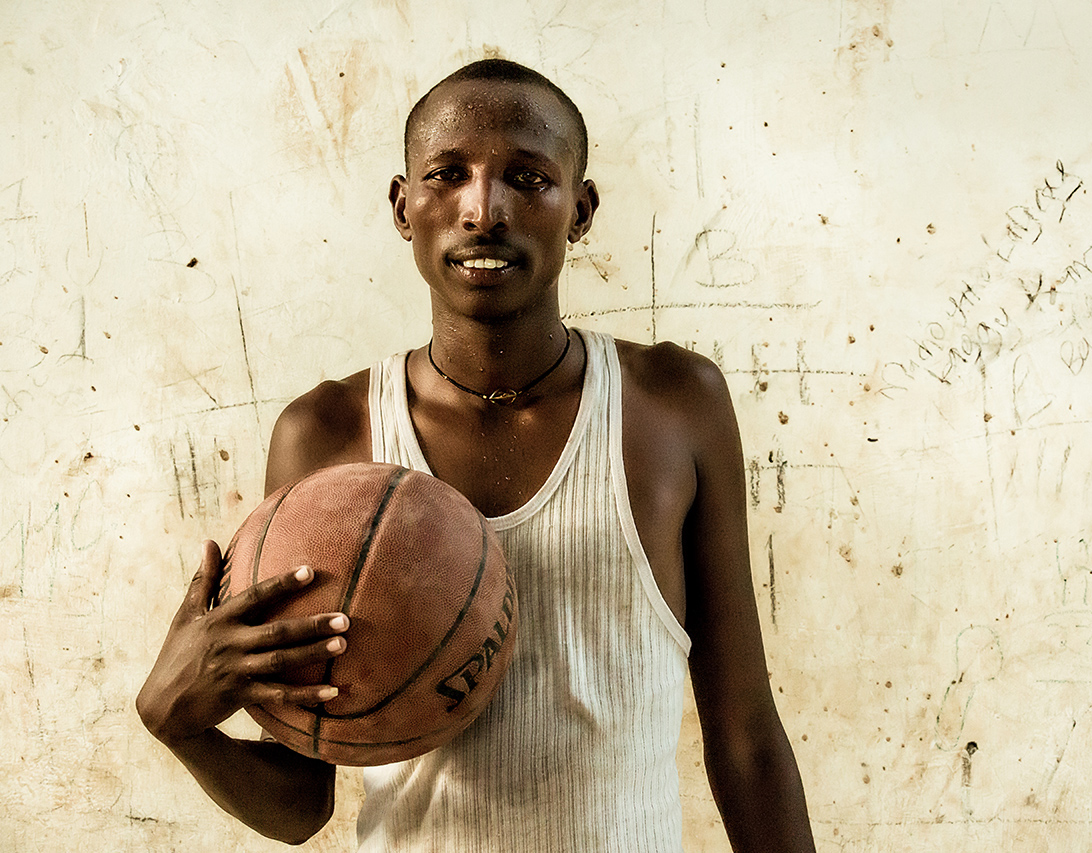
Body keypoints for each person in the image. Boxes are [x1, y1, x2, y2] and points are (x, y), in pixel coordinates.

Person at [136, 58, 816, 851]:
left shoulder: (672, 404)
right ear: (403, 205)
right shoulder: (326, 434)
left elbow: (745, 737)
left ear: (581, 208)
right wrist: (176, 723)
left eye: (528, 178)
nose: (483, 209)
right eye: (447, 174)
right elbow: (299, 803)